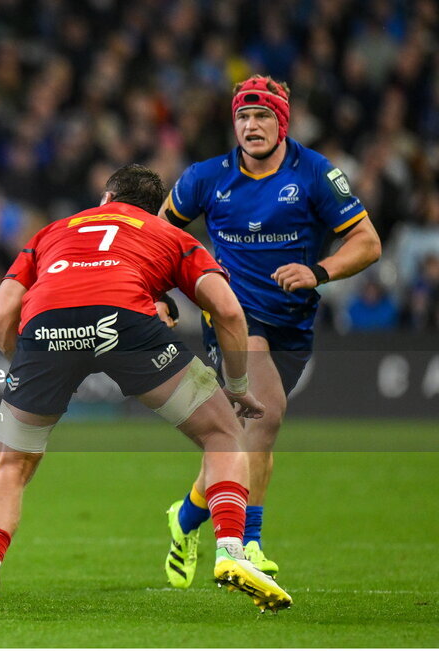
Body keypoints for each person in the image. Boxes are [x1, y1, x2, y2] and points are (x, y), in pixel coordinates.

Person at [0, 164, 291, 618]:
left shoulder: (52, 231)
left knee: (10, 466)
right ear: (155, 209)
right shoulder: (169, 235)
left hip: (46, 327)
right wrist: (238, 385)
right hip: (125, 321)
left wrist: (32, 370)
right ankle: (231, 551)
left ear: (106, 199)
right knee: (223, 433)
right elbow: (227, 310)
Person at [158, 75, 381, 583]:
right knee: (267, 412)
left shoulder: (317, 175)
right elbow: (158, 238)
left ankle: (186, 516)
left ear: (282, 122)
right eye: (242, 116)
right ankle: (246, 545)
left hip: (293, 323)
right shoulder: (204, 178)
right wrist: (159, 296)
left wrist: (319, 272)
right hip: (234, 317)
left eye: (261, 116)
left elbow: (368, 243)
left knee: (244, 436)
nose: (251, 125)